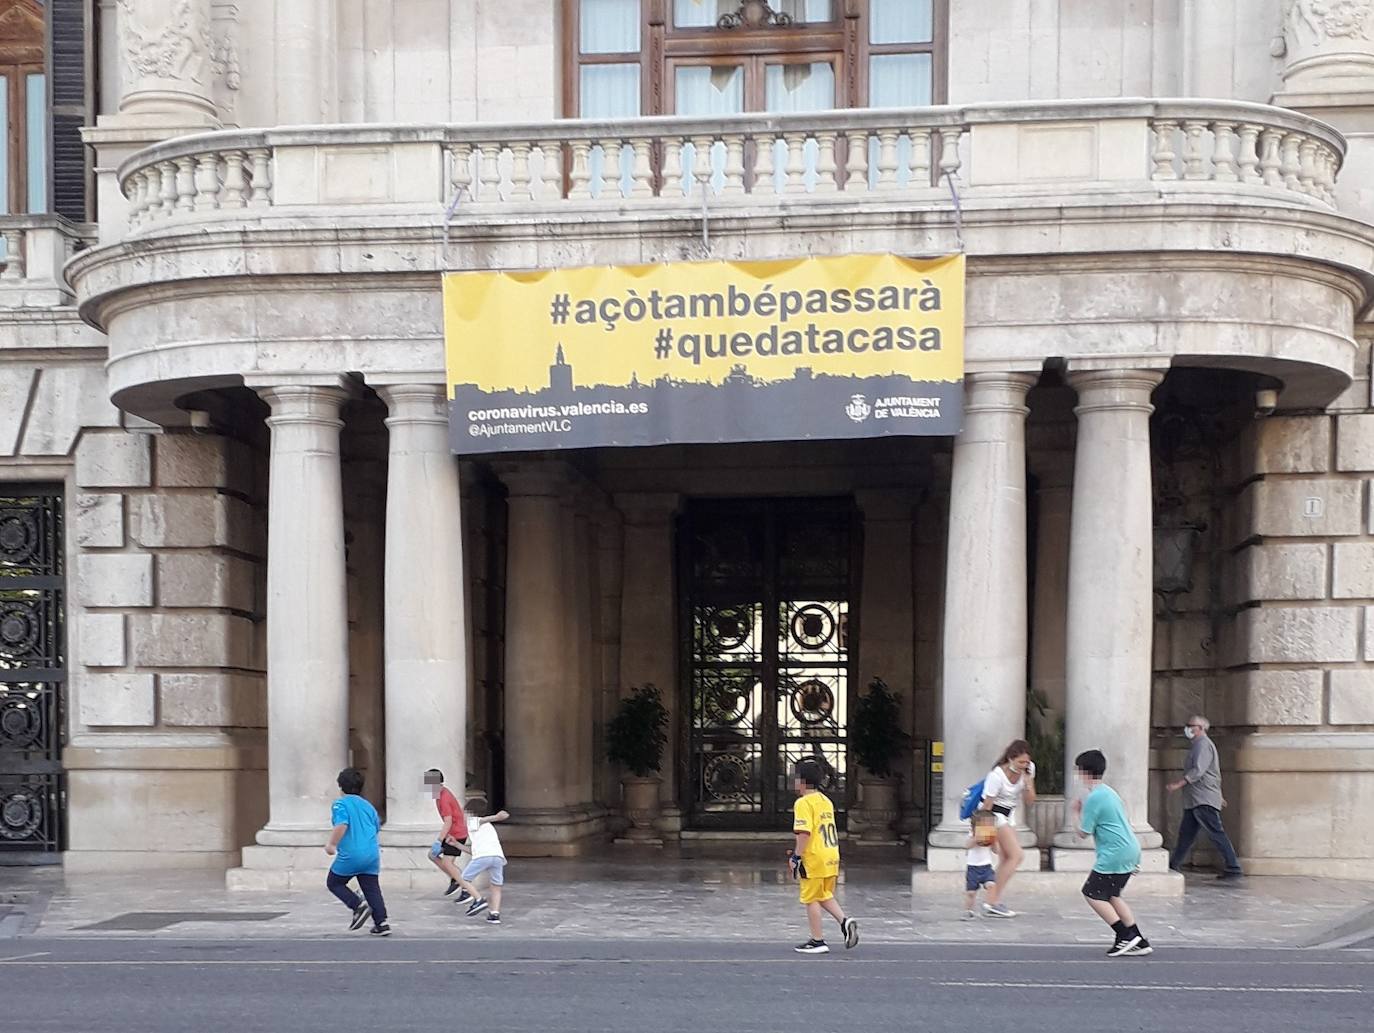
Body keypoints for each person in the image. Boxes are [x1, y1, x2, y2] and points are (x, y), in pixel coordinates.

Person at [1072, 749, 1151, 957]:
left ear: (1084, 772)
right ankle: (1138, 939)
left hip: (1114, 852)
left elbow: (1083, 832)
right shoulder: (1109, 791)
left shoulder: (1094, 797)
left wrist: (1074, 812)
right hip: (1130, 848)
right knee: (1112, 895)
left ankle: (1124, 935)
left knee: (1091, 893)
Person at [788, 759, 859, 955]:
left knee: (810, 899)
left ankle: (817, 940)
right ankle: (845, 922)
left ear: (802, 781)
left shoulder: (803, 803)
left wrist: (796, 857)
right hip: (831, 855)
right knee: (824, 895)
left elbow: (804, 832)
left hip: (814, 856)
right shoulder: (825, 800)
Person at [1167, 715, 1243, 881]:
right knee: (1186, 835)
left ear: (1201, 728)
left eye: (1191, 725)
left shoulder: (1203, 745)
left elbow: (1198, 770)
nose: (1187, 728)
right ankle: (1174, 864)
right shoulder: (1198, 745)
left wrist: (1178, 784)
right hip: (1196, 799)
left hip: (1202, 799)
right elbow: (1213, 773)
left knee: (1216, 833)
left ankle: (1233, 867)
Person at [324, 767, 390, 937]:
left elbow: (342, 824)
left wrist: (332, 844)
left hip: (352, 854)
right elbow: (376, 827)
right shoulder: (368, 806)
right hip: (371, 853)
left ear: (340, 787)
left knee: (334, 882)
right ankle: (381, 922)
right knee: (371, 888)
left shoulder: (340, 804)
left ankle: (357, 906)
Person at [977, 739, 1037, 918]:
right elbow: (986, 806)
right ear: (1010, 759)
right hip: (992, 814)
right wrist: (987, 837)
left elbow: (1030, 801)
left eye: (1026, 762)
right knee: (1017, 855)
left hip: (1008, 814)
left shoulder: (1028, 770)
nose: (1023, 766)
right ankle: (992, 901)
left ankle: (992, 899)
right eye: (1020, 762)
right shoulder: (996, 776)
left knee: (1006, 858)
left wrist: (1028, 783)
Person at [424, 768, 479, 903]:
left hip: (456, 833)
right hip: (453, 832)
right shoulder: (439, 794)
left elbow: (448, 821)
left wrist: (439, 840)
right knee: (432, 855)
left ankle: (466, 889)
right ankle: (455, 878)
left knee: (448, 863)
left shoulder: (443, 797)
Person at [457, 798, 511, 925]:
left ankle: (479, 900)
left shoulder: (473, 822)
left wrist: (496, 817)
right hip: (497, 857)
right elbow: (475, 850)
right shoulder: (488, 828)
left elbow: (482, 820)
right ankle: (494, 914)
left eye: (464, 813)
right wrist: (456, 845)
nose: (463, 817)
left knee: (464, 879)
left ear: (470, 812)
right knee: (496, 886)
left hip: (483, 856)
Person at [962, 810, 999, 919]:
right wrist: (977, 838)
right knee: (971, 893)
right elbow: (967, 846)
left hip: (986, 866)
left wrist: (994, 841)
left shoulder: (991, 835)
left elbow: (996, 851)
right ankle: (968, 911)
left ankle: (990, 905)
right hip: (973, 868)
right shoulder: (971, 835)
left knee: (991, 885)